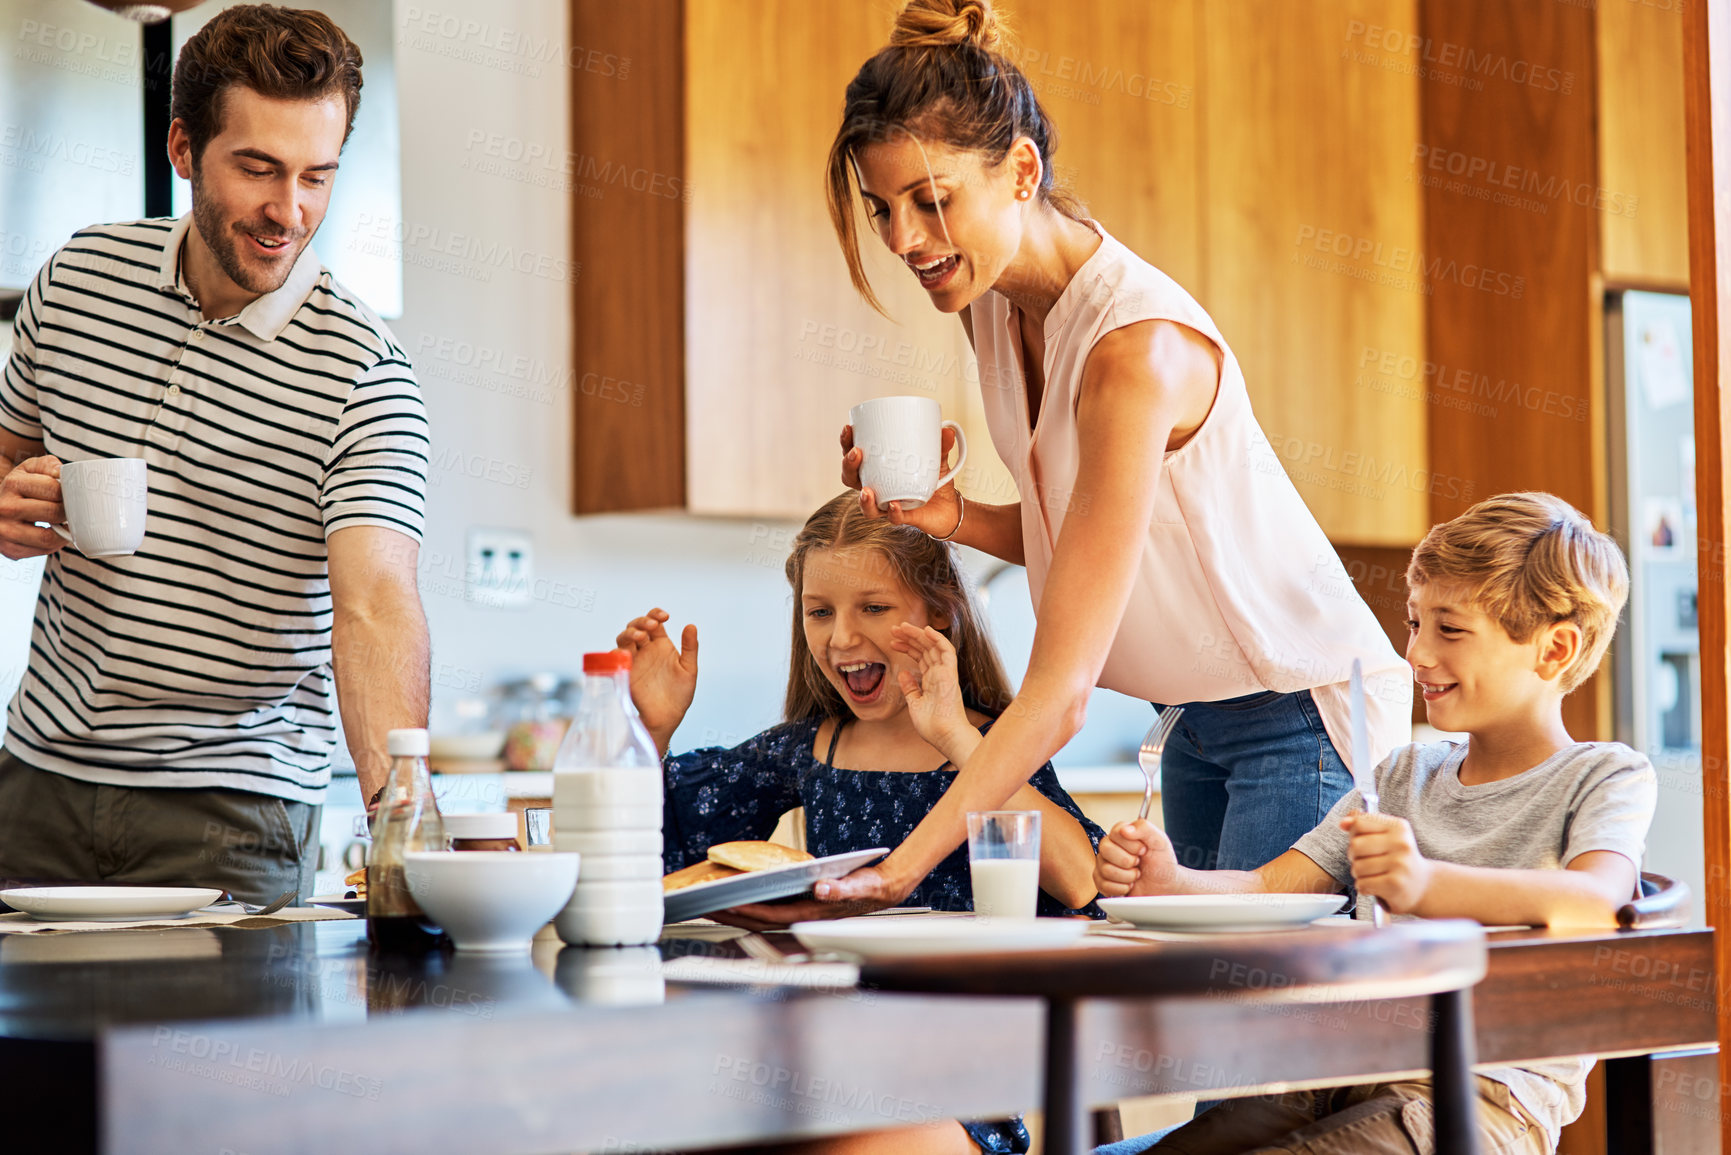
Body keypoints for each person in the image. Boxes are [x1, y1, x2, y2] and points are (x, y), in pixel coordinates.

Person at [791, 0, 1409, 926]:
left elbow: (1060, 692)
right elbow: (1087, 540)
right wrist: (951, 516)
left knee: (1254, 1041)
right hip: (1195, 720)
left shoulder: (1133, 353)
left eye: (932, 201)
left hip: (1302, 717)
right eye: (883, 210)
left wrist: (901, 868)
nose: (905, 241)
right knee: (1203, 1022)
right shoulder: (991, 305)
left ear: (1021, 172)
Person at [0, 6, 430, 903]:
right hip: (38, 777)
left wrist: (402, 818)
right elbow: (6, 459)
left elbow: (377, 605)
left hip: (233, 809)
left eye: (319, 175)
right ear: (184, 148)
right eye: (259, 169)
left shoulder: (364, 373)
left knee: (208, 1048)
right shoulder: (78, 281)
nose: (290, 211)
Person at [1093, 493, 1655, 1155]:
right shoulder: (1399, 773)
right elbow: (1271, 885)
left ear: (1552, 648)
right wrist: (1174, 881)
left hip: (1477, 1102)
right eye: (1414, 623)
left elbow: (1595, 902)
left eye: (1449, 629)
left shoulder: (1604, 775)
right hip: (1332, 1076)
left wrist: (1424, 883)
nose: (1415, 652)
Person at [621, 493, 1104, 1155]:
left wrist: (960, 739)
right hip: (822, 1060)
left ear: (939, 612)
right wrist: (648, 729)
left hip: (955, 1081)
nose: (840, 637)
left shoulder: (998, 745)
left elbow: (1082, 880)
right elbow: (663, 852)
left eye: (872, 607)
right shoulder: (808, 748)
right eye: (819, 611)